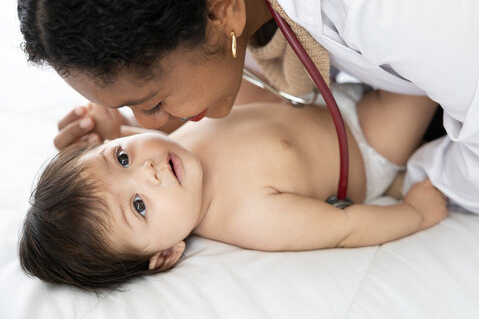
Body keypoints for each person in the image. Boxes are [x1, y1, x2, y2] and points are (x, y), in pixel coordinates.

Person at [16, 0, 479, 214]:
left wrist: (413, 181)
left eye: (153, 101)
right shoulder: (215, 1)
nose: (155, 123)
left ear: (222, 10)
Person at [19, 83, 446, 290]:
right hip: (364, 141)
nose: (146, 170)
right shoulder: (248, 216)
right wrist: (414, 213)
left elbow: (147, 123)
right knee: (425, 70)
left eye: (122, 158)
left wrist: (113, 122)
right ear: (166, 254)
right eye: (139, 206)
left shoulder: (172, 146)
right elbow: (344, 227)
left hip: (321, 93)